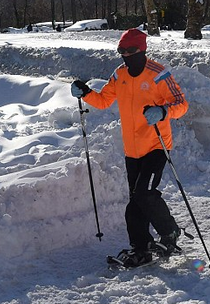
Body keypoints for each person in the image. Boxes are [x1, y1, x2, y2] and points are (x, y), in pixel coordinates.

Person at [70, 28, 189, 268]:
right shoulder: (119, 75)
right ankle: (141, 248)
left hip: (157, 145)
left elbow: (182, 104)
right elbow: (104, 101)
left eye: (130, 51)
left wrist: (163, 111)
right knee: (136, 199)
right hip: (132, 150)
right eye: (121, 51)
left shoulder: (158, 74)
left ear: (142, 50)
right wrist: (86, 93)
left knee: (144, 193)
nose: (125, 55)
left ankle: (170, 232)